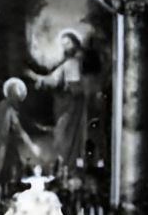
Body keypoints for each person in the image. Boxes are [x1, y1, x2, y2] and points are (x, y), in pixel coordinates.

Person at [29, 28, 97, 173]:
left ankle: (69, 167)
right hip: (66, 102)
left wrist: (37, 78)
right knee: (64, 135)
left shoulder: (76, 60)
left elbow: (59, 80)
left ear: (75, 42)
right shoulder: (69, 61)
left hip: (73, 103)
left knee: (67, 135)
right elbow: (55, 79)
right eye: (63, 44)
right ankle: (66, 167)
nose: (66, 47)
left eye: (68, 43)